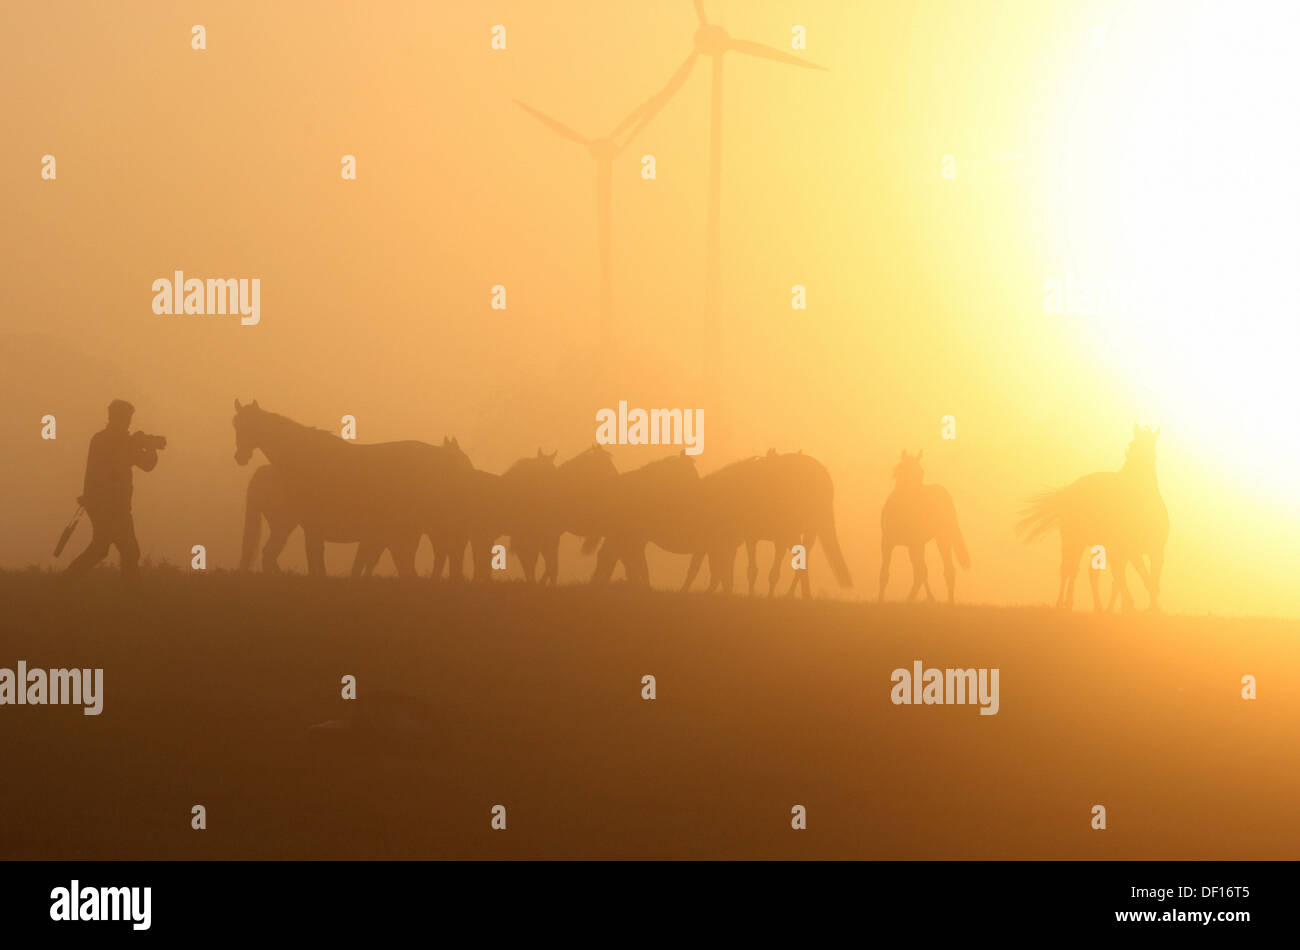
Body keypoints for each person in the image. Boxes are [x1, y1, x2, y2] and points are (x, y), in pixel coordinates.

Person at [64, 399, 162, 582]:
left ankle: (65, 582)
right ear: (120, 418)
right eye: (126, 418)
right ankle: (132, 594)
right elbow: (148, 464)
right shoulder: (123, 442)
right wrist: (149, 446)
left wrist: (141, 442)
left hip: (99, 503)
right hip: (115, 506)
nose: (128, 423)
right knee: (130, 551)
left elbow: (92, 471)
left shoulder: (100, 439)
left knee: (101, 548)